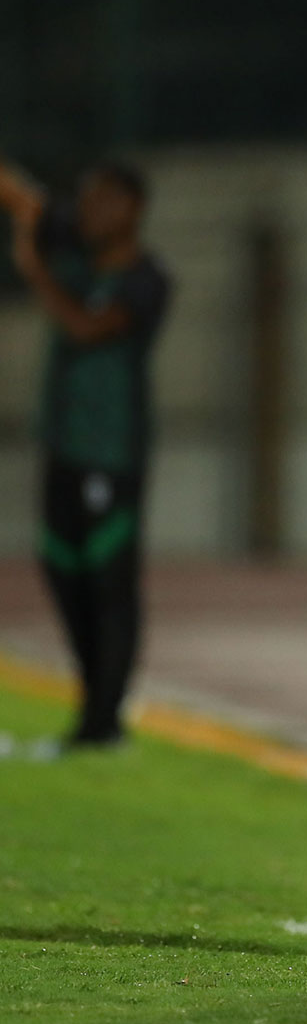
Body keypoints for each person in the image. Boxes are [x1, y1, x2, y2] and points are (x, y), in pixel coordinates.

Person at [0, 158, 172, 748]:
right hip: (63, 445)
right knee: (61, 571)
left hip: (113, 450)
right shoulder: (74, 253)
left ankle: (105, 722)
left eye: (104, 201)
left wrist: (32, 269)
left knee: (109, 582)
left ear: (132, 209)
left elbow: (86, 328)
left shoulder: (146, 280)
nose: (91, 212)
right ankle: (93, 710)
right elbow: (25, 200)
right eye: (86, 201)